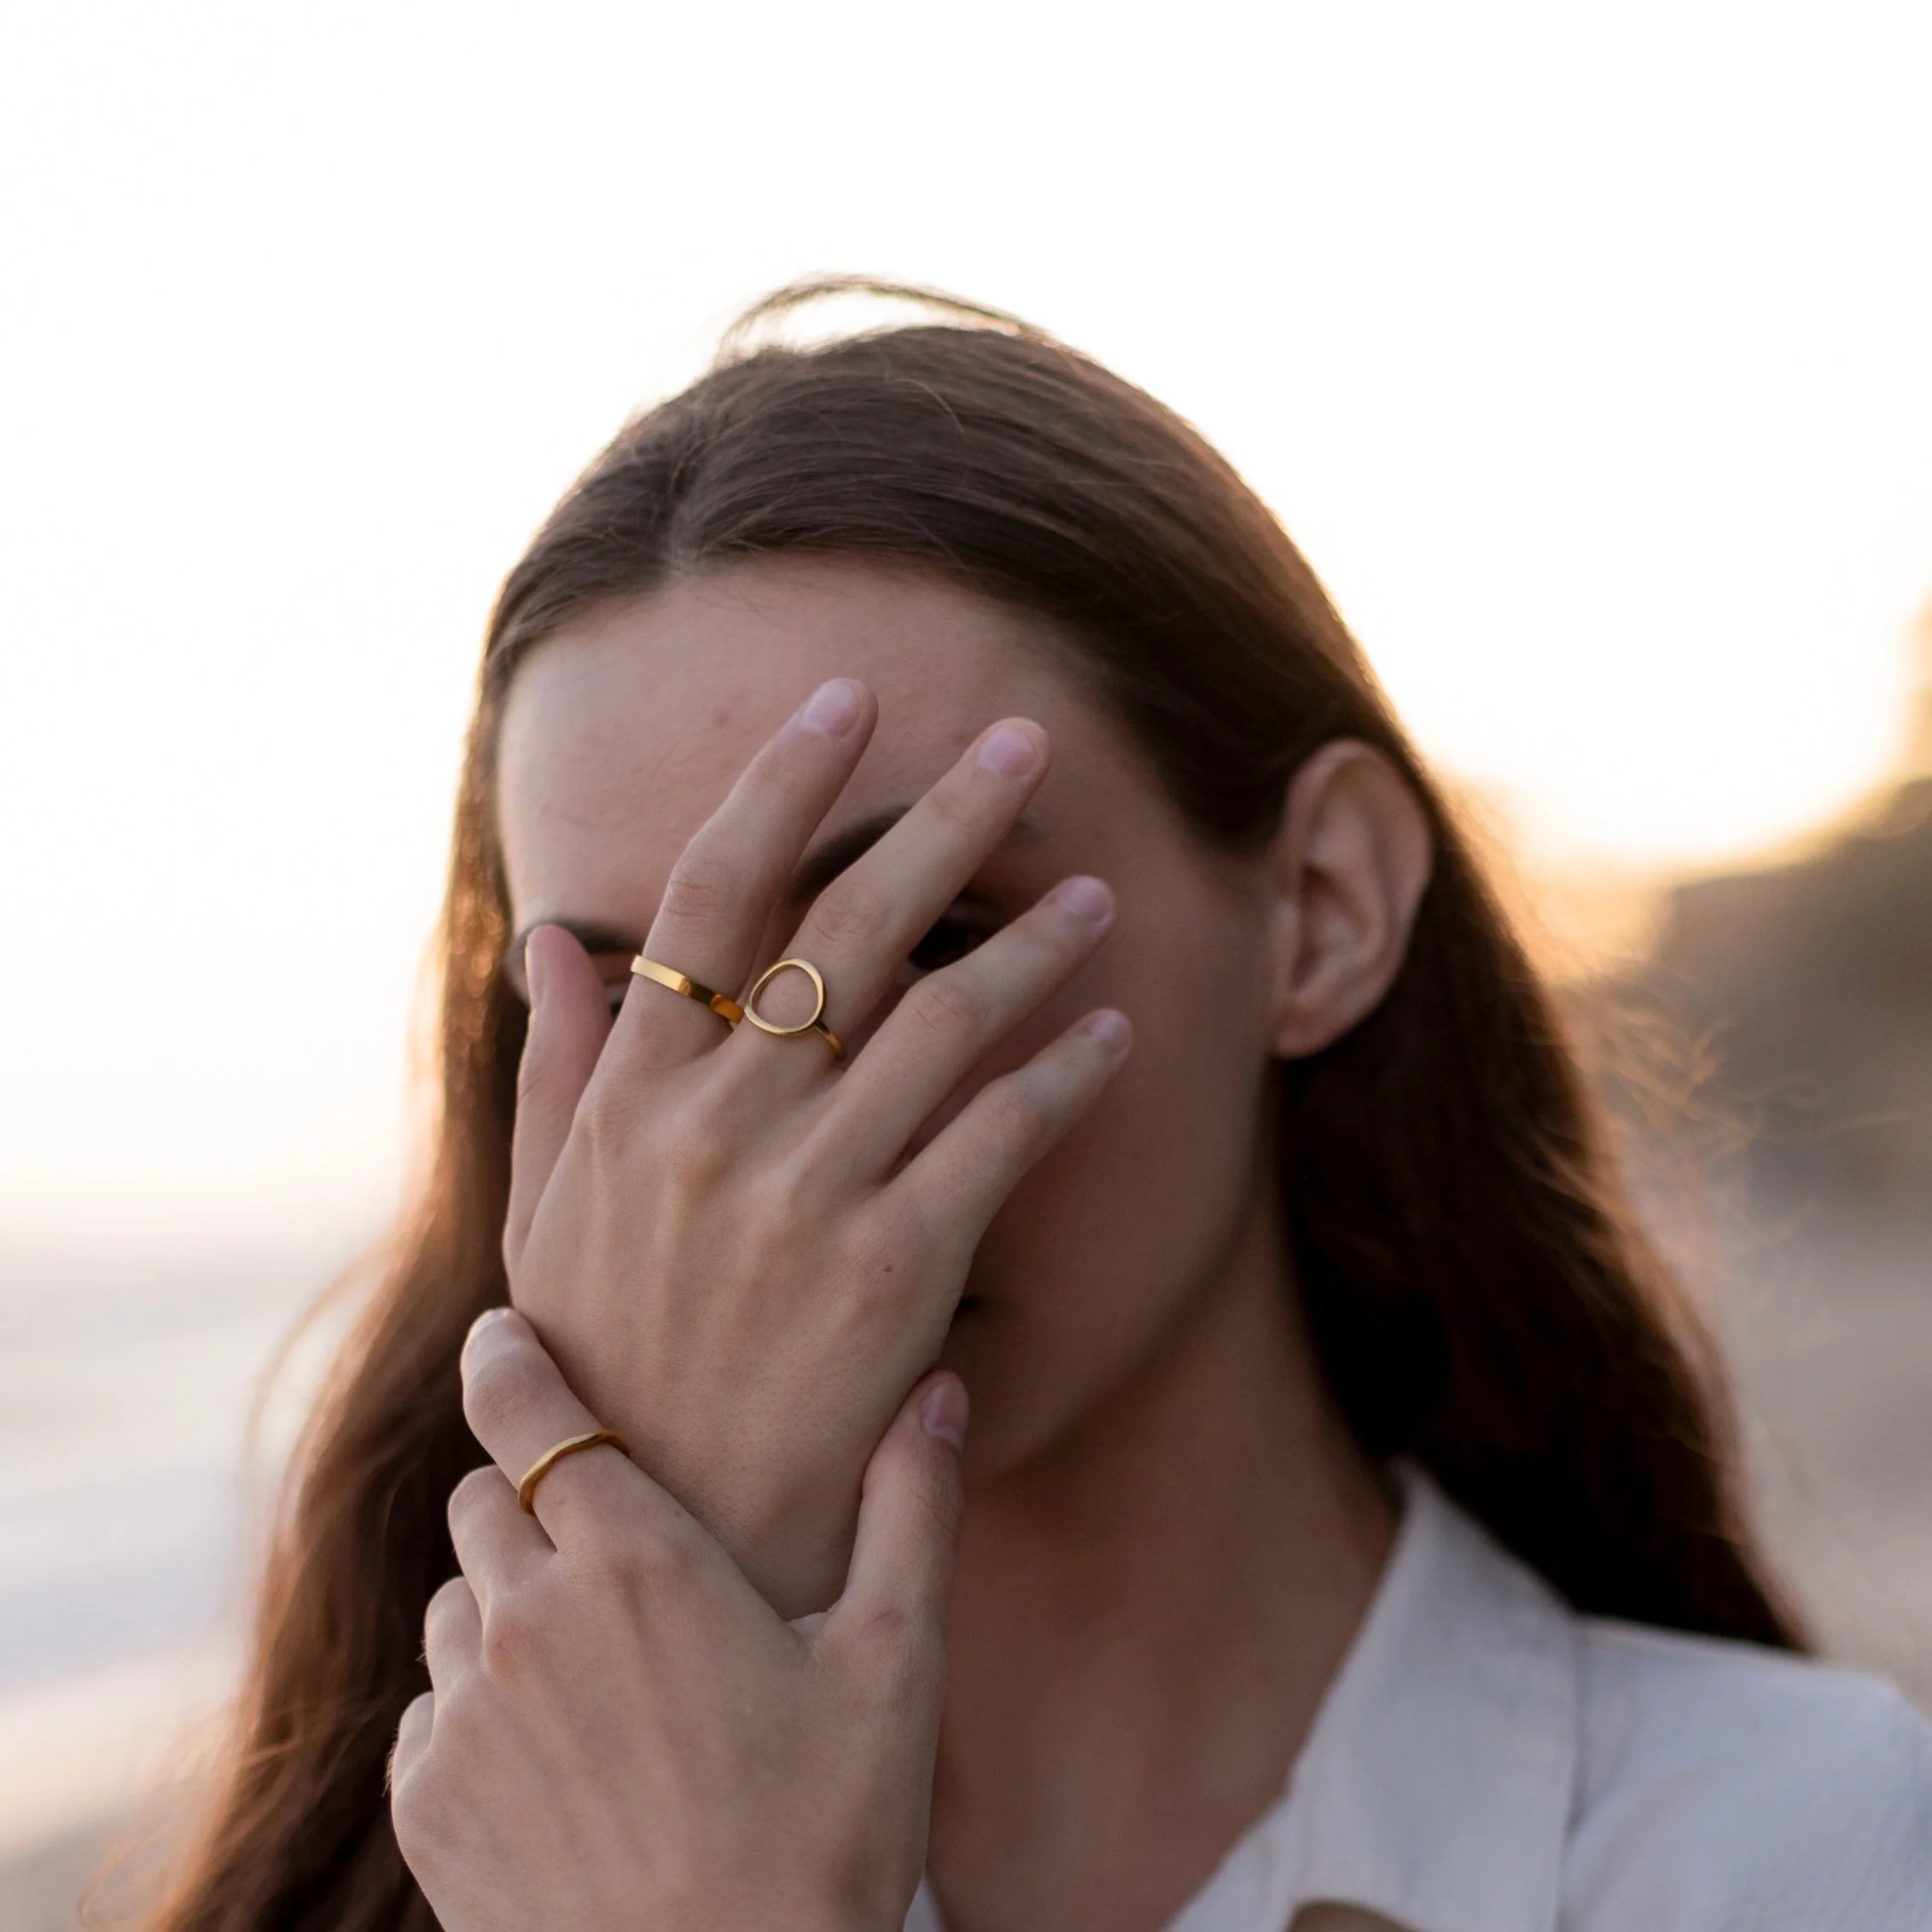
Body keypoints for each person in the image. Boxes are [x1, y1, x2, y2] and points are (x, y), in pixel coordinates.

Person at [151, 283, 1932, 1932]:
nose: (755, 1155)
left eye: (927, 931)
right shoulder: (419, 1863)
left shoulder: (1799, 1845)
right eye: (631, 1004)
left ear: (1321, 907)